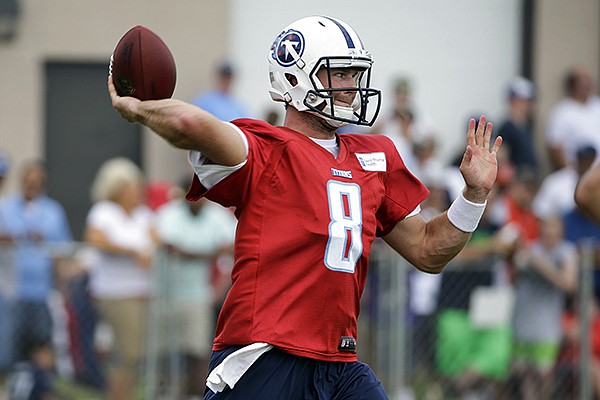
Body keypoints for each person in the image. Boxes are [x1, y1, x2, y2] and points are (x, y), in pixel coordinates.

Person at [108, 15, 502, 399]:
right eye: (340, 75)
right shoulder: (266, 148)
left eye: (354, 74)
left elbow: (429, 251)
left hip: (339, 364)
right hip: (265, 355)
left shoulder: (375, 156)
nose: (352, 87)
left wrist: (474, 196)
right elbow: (191, 125)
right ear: (294, 77)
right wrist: (138, 108)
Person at [155, 181, 236, 398]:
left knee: (198, 351)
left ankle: (194, 394)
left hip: (198, 295)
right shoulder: (168, 214)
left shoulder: (217, 216)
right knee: (165, 351)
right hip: (165, 296)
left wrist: (193, 254)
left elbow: (231, 247)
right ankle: (165, 393)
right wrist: (209, 252)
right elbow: (168, 246)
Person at [84, 157, 156, 400]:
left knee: (131, 356)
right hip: (114, 292)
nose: (138, 191)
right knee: (129, 354)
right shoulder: (104, 211)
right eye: (132, 186)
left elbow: (156, 240)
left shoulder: (143, 215)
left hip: (141, 292)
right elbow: (95, 239)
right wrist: (133, 251)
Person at [0, 160, 72, 365]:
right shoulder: (5, 208)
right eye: (28, 181)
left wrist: (60, 287)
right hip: (11, 291)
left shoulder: (53, 211)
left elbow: (61, 250)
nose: (31, 186)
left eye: (36, 182)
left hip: (42, 291)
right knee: (9, 347)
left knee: (42, 343)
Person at [510, 215, 578, 400]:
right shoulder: (531, 249)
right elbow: (515, 280)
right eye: (546, 227)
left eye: (553, 227)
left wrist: (540, 265)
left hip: (547, 323)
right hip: (523, 319)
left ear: (560, 231)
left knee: (544, 372)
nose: (549, 232)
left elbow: (569, 284)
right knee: (524, 371)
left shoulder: (566, 252)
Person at [546, 66, 600, 171]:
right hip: (577, 172)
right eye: (583, 82)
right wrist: (569, 171)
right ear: (573, 85)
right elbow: (555, 145)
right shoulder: (561, 112)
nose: (588, 85)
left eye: (589, 81)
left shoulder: (597, 105)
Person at [495, 76, 539, 175]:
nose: (529, 105)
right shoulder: (506, 128)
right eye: (525, 101)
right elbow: (501, 158)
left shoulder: (525, 126)